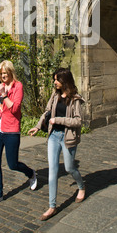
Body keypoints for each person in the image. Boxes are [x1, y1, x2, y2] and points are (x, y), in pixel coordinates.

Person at [28, 68, 85, 220]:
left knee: (69, 168)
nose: (54, 82)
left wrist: (58, 120)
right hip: (53, 136)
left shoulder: (75, 99)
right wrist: (38, 126)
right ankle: (52, 207)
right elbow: (47, 112)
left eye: (57, 80)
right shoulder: (55, 95)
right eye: (54, 79)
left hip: (68, 138)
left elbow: (78, 121)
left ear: (65, 81)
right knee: (52, 172)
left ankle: (81, 186)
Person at [0, 60, 37, 206]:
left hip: (11, 130)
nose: (2, 76)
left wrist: (5, 96)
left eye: (5, 73)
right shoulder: (0, 86)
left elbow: (15, 109)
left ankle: (31, 173)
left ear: (10, 72)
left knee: (12, 164)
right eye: (1, 73)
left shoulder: (18, 86)